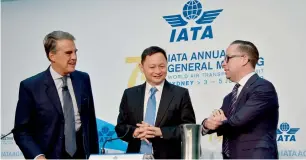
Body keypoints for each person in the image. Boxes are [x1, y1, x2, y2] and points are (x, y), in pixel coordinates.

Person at [13, 30, 99, 159]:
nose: (74, 57)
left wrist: (94, 155)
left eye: (75, 52)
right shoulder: (31, 86)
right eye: (68, 53)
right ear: (52, 56)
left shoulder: (83, 79)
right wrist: (38, 156)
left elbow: (90, 123)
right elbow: (21, 131)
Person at [202, 40, 279, 159]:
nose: (223, 63)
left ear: (244, 59)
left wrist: (221, 122)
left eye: (228, 58)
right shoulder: (229, 97)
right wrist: (207, 123)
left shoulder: (263, 88)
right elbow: (218, 121)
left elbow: (239, 120)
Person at [115, 46, 196, 159]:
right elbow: (120, 127)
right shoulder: (130, 94)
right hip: (135, 156)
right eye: (152, 67)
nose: (158, 71)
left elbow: (190, 129)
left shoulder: (180, 94)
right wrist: (135, 131)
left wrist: (160, 132)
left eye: (162, 66)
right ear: (141, 67)